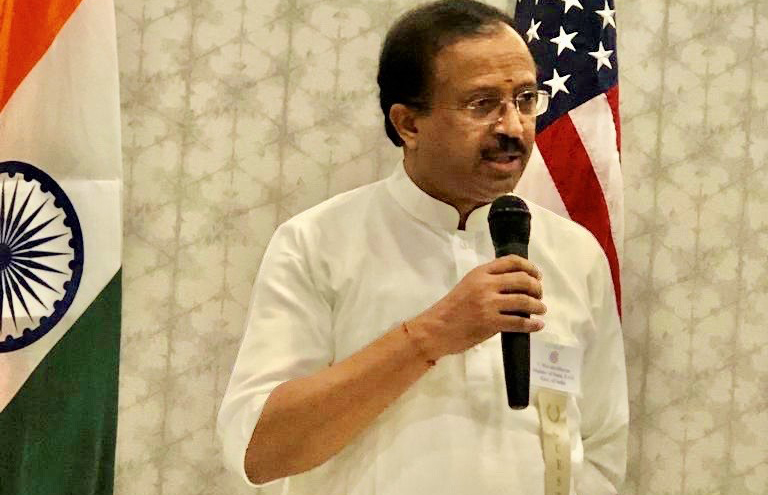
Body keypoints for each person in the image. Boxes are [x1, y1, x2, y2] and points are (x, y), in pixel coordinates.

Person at [217, 1, 628, 494]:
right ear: (408, 124)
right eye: (482, 104)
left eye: (524, 99)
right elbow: (260, 451)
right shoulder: (316, 243)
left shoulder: (576, 253)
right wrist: (433, 333)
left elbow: (601, 447)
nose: (513, 128)